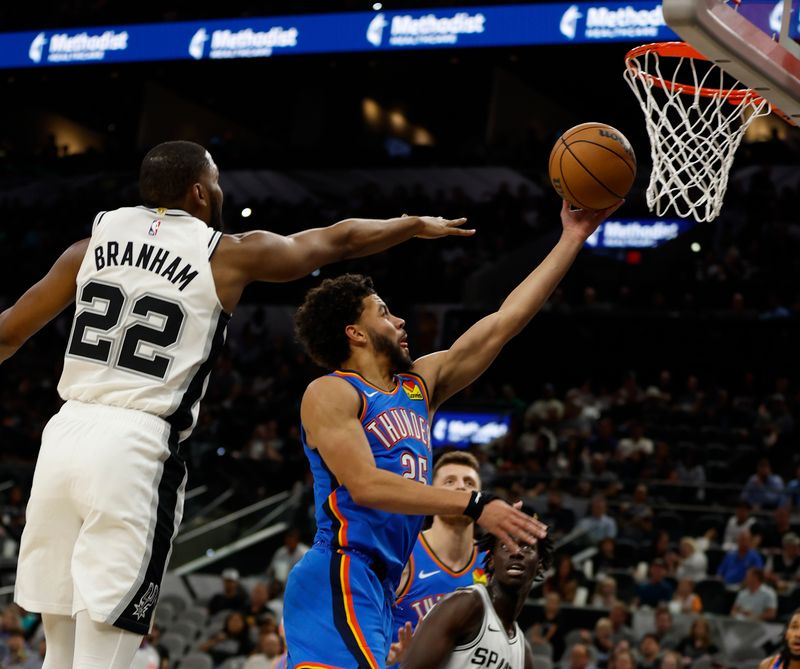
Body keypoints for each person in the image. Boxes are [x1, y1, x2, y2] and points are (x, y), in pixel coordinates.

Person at [1, 140, 474, 669]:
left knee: (57, 647)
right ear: (200, 192)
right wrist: (410, 224)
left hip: (63, 435)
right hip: (134, 443)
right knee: (104, 649)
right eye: (218, 181)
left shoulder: (89, 246)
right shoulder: (224, 252)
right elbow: (335, 241)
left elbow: (7, 335)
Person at [284, 199, 620, 668]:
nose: (400, 321)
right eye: (383, 313)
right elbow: (365, 485)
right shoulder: (330, 392)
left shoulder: (419, 385)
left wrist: (572, 237)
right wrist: (476, 504)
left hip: (380, 586)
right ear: (355, 334)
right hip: (341, 569)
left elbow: (503, 324)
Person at [397, 528, 553, 668]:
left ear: (540, 564)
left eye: (526, 547)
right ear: (491, 560)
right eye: (505, 545)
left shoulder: (522, 655)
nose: (516, 552)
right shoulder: (465, 605)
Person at [392, 451, 485, 636]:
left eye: (469, 483)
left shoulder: (490, 561)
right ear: (432, 494)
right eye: (449, 481)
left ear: (481, 497)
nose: (461, 487)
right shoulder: (404, 553)